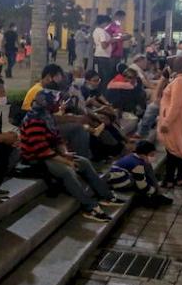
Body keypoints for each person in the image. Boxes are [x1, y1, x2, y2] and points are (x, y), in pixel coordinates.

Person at [19, 90, 122, 222]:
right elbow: (41, 151)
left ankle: (106, 195)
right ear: (46, 103)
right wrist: (66, 162)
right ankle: (90, 207)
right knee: (67, 171)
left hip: (52, 153)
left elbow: (58, 139)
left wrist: (66, 153)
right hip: (36, 159)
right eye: (55, 102)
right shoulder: (33, 121)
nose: (58, 104)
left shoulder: (46, 116)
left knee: (83, 162)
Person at [158, 56, 182, 188]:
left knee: (173, 149)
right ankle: (180, 178)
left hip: (175, 120)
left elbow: (176, 104)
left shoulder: (179, 81)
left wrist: (166, 122)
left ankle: (169, 180)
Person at [107, 141, 172, 207]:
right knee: (145, 188)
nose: (153, 157)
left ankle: (156, 196)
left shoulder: (134, 156)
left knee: (146, 180)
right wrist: (154, 191)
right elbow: (142, 185)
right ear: (143, 155)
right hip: (121, 183)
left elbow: (148, 174)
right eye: (151, 155)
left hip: (125, 179)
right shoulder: (137, 165)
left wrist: (156, 188)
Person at [92, 16, 115, 89]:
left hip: (98, 56)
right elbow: (104, 45)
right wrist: (111, 40)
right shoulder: (101, 31)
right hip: (103, 57)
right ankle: (103, 92)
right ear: (104, 22)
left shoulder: (96, 30)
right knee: (105, 78)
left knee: (99, 76)